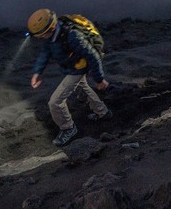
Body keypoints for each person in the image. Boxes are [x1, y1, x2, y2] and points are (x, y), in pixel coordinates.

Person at [27, 9, 110, 147]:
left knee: (55, 102)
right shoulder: (51, 36)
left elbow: (93, 56)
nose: (41, 37)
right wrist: (37, 72)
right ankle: (103, 112)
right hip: (71, 67)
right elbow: (45, 53)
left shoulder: (72, 36)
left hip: (77, 69)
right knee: (83, 88)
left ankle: (68, 128)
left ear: (51, 28)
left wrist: (100, 79)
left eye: (41, 34)